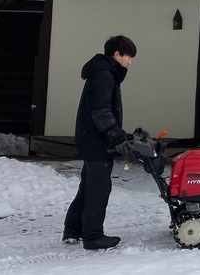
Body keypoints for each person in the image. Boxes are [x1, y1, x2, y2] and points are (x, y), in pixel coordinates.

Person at [62, 35, 137, 250]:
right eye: (128, 56)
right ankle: (93, 236)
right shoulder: (104, 75)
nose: (129, 61)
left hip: (91, 139)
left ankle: (73, 230)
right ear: (117, 54)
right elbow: (102, 111)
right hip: (97, 142)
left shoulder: (103, 73)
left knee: (88, 187)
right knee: (98, 189)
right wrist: (116, 136)